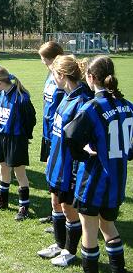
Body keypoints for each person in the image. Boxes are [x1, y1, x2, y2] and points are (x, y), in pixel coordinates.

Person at [64, 55, 132, 273]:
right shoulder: (128, 106)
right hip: (117, 180)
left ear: (91, 78)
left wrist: (84, 154)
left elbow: (70, 135)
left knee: (89, 229)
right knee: (108, 226)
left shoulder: (93, 107)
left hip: (94, 180)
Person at [37, 55, 92, 266]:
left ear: (61, 75)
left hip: (70, 165)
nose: (52, 78)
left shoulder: (82, 101)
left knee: (68, 208)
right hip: (57, 162)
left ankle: (69, 251)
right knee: (55, 202)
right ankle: (59, 245)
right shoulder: (67, 96)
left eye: (53, 74)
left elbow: (83, 140)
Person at [0, 67, 36, 221]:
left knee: (19, 172)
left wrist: (24, 136)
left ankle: (24, 206)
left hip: (16, 138)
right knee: (3, 167)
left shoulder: (21, 97)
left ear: (0, 82)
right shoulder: (2, 93)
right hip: (2, 136)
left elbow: (30, 119)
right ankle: (3, 199)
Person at [38, 41, 65, 226]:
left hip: (57, 134)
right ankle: (54, 212)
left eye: (43, 58)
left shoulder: (63, 79)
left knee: (58, 175)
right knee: (50, 172)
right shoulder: (50, 76)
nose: (42, 62)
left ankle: (61, 216)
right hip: (47, 132)